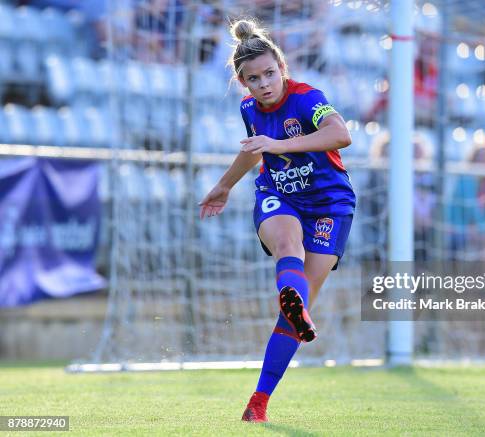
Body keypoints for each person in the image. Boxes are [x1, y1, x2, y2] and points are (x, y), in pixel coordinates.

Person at [198, 18, 355, 423]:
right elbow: (255, 151)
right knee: (288, 247)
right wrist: (224, 186)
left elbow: (341, 134)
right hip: (279, 193)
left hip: (328, 203)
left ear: (282, 68)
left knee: (294, 309)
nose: (264, 83)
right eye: (254, 79)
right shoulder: (249, 108)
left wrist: (279, 144)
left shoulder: (307, 97)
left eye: (270, 73)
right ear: (243, 83)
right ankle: (294, 300)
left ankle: (258, 401)